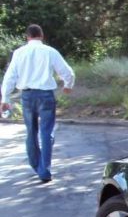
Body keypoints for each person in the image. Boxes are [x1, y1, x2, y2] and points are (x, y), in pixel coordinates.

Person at [1, 24, 75, 183]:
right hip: (46, 95)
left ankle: (36, 165)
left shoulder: (19, 53)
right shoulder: (49, 51)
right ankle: (45, 170)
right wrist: (68, 85)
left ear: (27, 37)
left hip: (27, 95)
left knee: (31, 131)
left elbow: (10, 77)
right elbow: (67, 71)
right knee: (46, 132)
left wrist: (5, 99)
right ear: (41, 36)